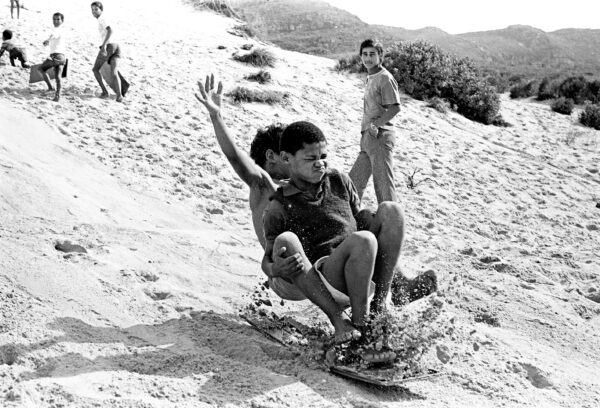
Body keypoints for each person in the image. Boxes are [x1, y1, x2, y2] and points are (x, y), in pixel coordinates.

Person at [194, 74, 436, 315]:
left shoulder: (313, 179)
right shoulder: (265, 187)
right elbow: (235, 158)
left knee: (373, 216)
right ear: (276, 156)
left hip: (331, 258)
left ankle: (394, 290)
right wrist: (216, 116)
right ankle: (373, 300)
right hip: (294, 274)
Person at [262, 121, 410, 362]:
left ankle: (377, 312)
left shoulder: (338, 180)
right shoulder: (280, 205)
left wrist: (374, 219)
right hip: (325, 278)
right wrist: (275, 269)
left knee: (392, 211)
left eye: (323, 156)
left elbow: (355, 216)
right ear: (286, 158)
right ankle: (348, 325)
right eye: (310, 158)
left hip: (363, 269)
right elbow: (267, 260)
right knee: (287, 239)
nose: (320, 162)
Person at [349, 39, 401, 204]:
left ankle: (392, 224)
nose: (368, 58)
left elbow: (395, 107)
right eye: (365, 54)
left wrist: (375, 125)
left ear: (381, 56)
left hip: (380, 136)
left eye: (372, 54)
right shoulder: (371, 76)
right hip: (368, 137)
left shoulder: (385, 78)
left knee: (384, 186)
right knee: (353, 183)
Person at [90, 1, 123, 102]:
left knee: (95, 69)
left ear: (101, 10)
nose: (94, 12)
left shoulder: (102, 19)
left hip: (109, 46)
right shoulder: (105, 18)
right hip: (117, 46)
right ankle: (119, 95)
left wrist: (104, 45)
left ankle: (105, 92)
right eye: (92, 10)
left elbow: (110, 30)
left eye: (96, 9)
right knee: (114, 72)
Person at [38, 12, 67, 102]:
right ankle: (57, 96)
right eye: (54, 19)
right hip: (62, 57)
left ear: (62, 21)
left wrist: (47, 40)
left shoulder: (56, 30)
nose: (56, 21)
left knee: (41, 69)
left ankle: (50, 87)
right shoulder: (62, 31)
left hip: (55, 56)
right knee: (58, 76)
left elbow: (53, 35)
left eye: (58, 19)